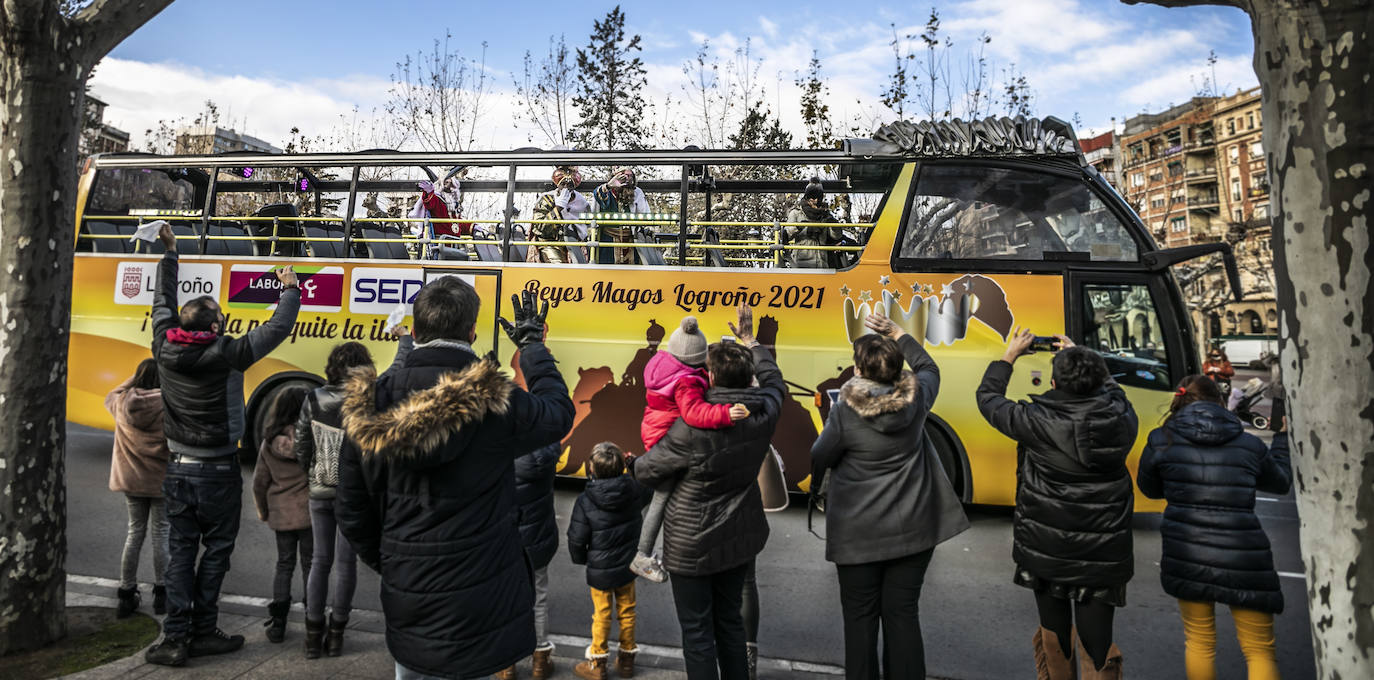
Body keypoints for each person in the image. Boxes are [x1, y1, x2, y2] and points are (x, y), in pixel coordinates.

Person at [336, 285, 575, 680]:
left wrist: (394, 559)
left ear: (414, 332)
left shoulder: (371, 403)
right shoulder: (497, 400)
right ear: (471, 334)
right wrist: (532, 347)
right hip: (482, 598)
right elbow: (559, 414)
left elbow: (351, 506)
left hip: (408, 592)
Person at [144, 223, 301, 667]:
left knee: (180, 552)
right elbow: (278, 327)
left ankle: (174, 638)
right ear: (216, 325)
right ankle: (204, 630)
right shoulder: (227, 353)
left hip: (178, 468)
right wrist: (289, 288)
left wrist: (170, 253)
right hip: (218, 472)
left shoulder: (162, 344)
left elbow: (162, 300)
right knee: (216, 552)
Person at [810, 313, 969, 680]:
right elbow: (929, 366)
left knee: (860, 619)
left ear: (858, 372)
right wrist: (898, 332)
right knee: (903, 614)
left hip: (857, 535)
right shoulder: (917, 398)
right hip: (914, 530)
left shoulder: (846, 411)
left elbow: (821, 454)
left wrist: (822, 487)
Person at [975, 329, 1138, 680]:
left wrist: (1009, 356)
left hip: (1045, 549)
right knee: (1098, 646)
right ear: (1099, 381)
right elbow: (1115, 392)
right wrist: (1087, 359)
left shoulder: (1035, 421)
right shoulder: (1123, 418)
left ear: (1052, 380)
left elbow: (988, 398)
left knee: (1055, 638)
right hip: (1103, 554)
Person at [632, 304, 782, 680]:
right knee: (730, 622)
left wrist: (630, 462)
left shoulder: (688, 428)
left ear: (711, 376)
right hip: (740, 537)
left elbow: (648, 471)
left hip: (690, 544)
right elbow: (775, 380)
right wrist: (752, 340)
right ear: (748, 377)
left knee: (697, 634)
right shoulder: (764, 412)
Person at [1137, 376, 1291, 680]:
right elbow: (1281, 482)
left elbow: (1150, 489)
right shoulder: (1249, 443)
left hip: (1187, 550)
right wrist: (1282, 439)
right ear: (1220, 402)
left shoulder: (1161, 439)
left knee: (1199, 641)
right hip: (1245, 556)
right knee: (1259, 650)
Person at [296, 334, 413, 659]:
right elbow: (398, 367)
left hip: (319, 489)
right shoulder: (367, 399)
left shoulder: (314, 398)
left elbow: (301, 444)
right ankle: (336, 636)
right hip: (353, 493)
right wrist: (405, 341)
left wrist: (312, 471)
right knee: (345, 565)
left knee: (320, 561)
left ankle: (311, 636)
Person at [631, 316, 748, 583]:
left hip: (654, 429)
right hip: (668, 439)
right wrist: (725, 413)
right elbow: (694, 413)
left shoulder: (662, 361)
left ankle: (638, 544)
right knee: (662, 498)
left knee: (659, 495)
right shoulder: (686, 382)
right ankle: (641, 554)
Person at [568, 442, 647, 680]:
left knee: (601, 613)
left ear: (592, 469)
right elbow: (650, 487)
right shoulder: (634, 490)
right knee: (627, 610)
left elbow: (576, 537)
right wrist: (635, 465)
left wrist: (582, 559)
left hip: (600, 569)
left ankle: (598, 663)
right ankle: (626, 661)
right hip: (628, 564)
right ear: (622, 468)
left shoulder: (586, 500)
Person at [106, 358, 171, 619]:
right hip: (160, 480)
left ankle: (126, 592)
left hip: (131, 480)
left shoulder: (121, 403)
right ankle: (162, 594)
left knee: (134, 534)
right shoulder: (169, 403)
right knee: (161, 535)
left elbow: (112, 392)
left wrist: (135, 378)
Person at [495, 441, 563, 680]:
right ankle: (540, 662)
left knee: (505, 599)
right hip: (539, 538)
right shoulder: (547, 451)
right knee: (539, 598)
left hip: (505, 540)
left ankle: (508, 665)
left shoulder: (497, 450)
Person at [252, 385, 313, 644]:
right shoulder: (312, 439)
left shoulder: (268, 442)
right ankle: (314, 616)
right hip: (310, 514)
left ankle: (278, 623)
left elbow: (259, 482)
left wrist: (264, 511)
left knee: (284, 565)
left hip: (281, 515)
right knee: (312, 565)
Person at [530, 165, 591, 264]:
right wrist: (558, 209)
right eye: (563, 184)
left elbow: (588, 227)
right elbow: (540, 228)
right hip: (550, 244)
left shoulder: (582, 202)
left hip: (575, 244)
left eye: (570, 185)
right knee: (559, 266)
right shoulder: (546, 199)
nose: (566, 188)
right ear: (558, 185)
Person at [592, 167, 650, 265]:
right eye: (624, 175)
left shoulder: (637, 192)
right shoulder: (606, 189)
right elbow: (598, 195)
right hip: (608, 238)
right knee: (607, 267)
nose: (627, 178)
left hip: (631, 238)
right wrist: (609, 186)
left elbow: (645, 213)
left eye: (630, 176)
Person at [783, 178, 841, 269]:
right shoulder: (796, 213)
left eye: (819, 197)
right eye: (813, 197)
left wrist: (834, 225)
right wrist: (802, 227)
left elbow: (836, 236)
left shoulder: (825, 216)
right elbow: (787, 233)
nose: (816, 200)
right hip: (801, 264)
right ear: (807, 197)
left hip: (822, 264)